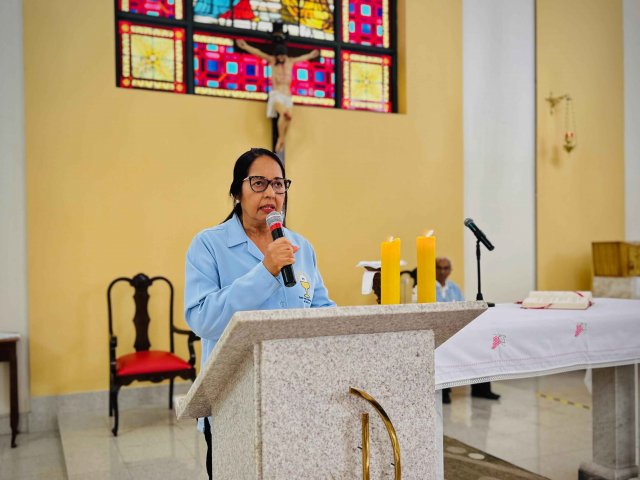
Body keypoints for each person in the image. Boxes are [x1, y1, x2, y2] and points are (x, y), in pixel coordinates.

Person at [184, 147, 335, 479]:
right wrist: (266, 270)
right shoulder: (208, 245)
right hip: (234, 399)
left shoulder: (300, 246)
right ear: (237, 192)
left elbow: (322, 309)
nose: (271, 193)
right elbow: (202, 319)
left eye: (279, 184)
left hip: (297, 396)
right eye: (259, 183)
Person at [235, 39, 320, 152]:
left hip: (287, 96)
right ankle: (280, 138)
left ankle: (282, 139)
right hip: (277, 94)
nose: (280, 58)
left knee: (289, 117)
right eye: (279, 56)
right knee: (284, 113)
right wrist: (245, 46)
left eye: (282, 56)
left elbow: (302, 58)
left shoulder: (290, 61)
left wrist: (311, 55)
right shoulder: (272, 60)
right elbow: (258, 53)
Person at [436, 257, 500, 403]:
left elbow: (462, 307)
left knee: (480, 345)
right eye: (439, 268)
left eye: (446, 268)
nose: (442, 271)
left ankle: (481, 389)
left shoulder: (454, 288)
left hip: (458, 328)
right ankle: (443, 391)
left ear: (450, 270)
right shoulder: (425, 287)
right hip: (440, 330)